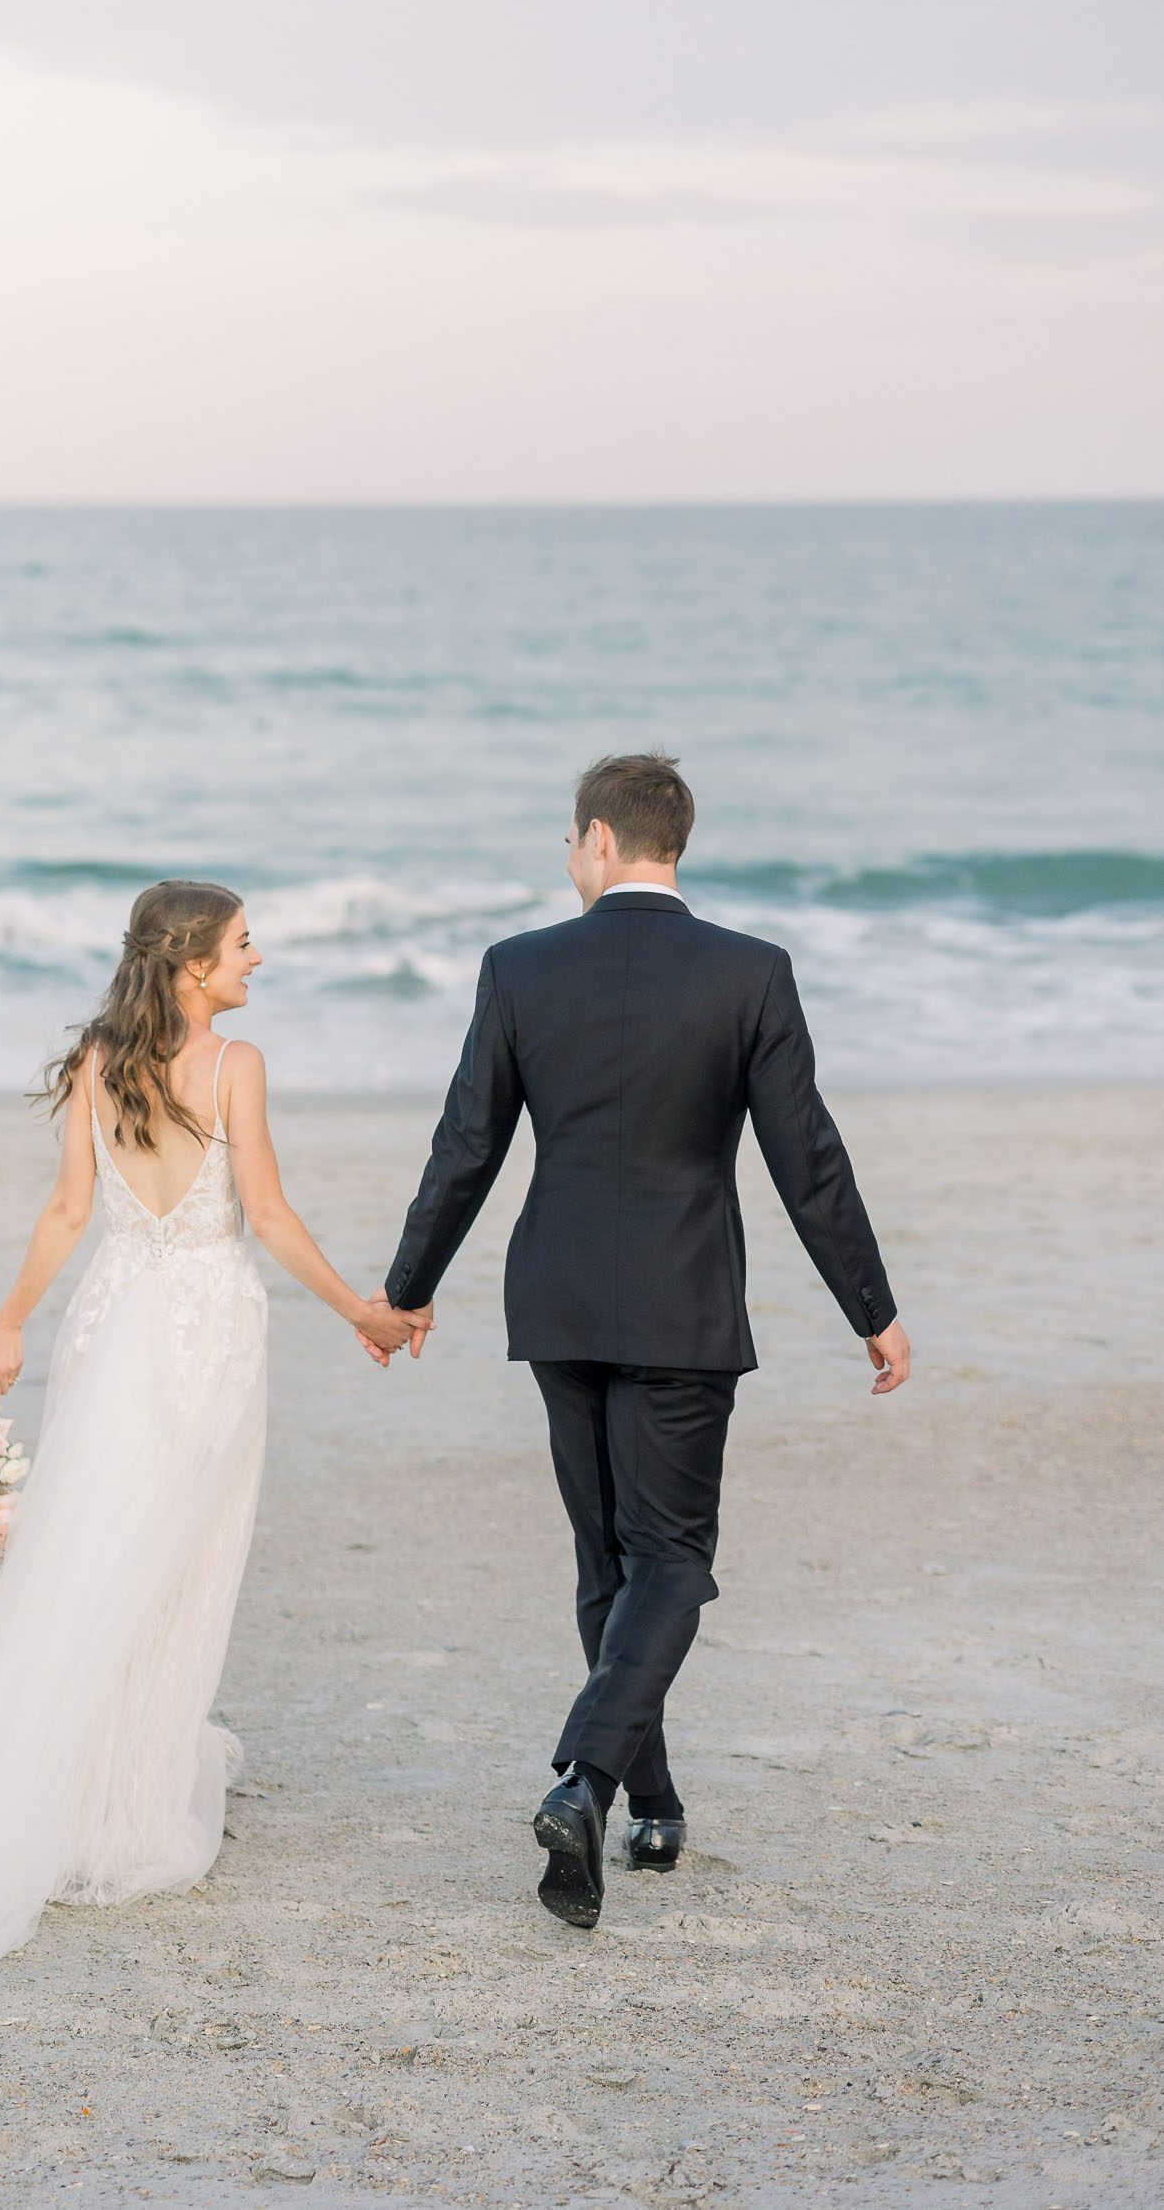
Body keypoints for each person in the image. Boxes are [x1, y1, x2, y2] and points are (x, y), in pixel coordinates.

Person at [371, 753, 910, 1929]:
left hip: (557, 1299)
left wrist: (406, 1289)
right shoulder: (748, 973)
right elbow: (803, 1156)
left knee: (606, 1560)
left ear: (601, 839)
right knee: (668, 1558)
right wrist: (868, 1307)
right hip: (680, 1304)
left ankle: (645, 1799)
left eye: (569, 844)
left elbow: (465, 1146)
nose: (567, 863)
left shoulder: (517, 968)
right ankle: (588, 1778)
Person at [0, 878, 424, 1968]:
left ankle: (50, 1793)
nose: (256, 960)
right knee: (175, 1560)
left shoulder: (96, 1062)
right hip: (205, 1332)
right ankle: (124, 1812)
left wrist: (7, 1322)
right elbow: (262, 1214)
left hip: (111, 1323)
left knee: (89, 1548)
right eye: (243, 946)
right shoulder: (233, 1066)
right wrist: (361, 1307)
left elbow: (70, 1209)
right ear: (192, 961)